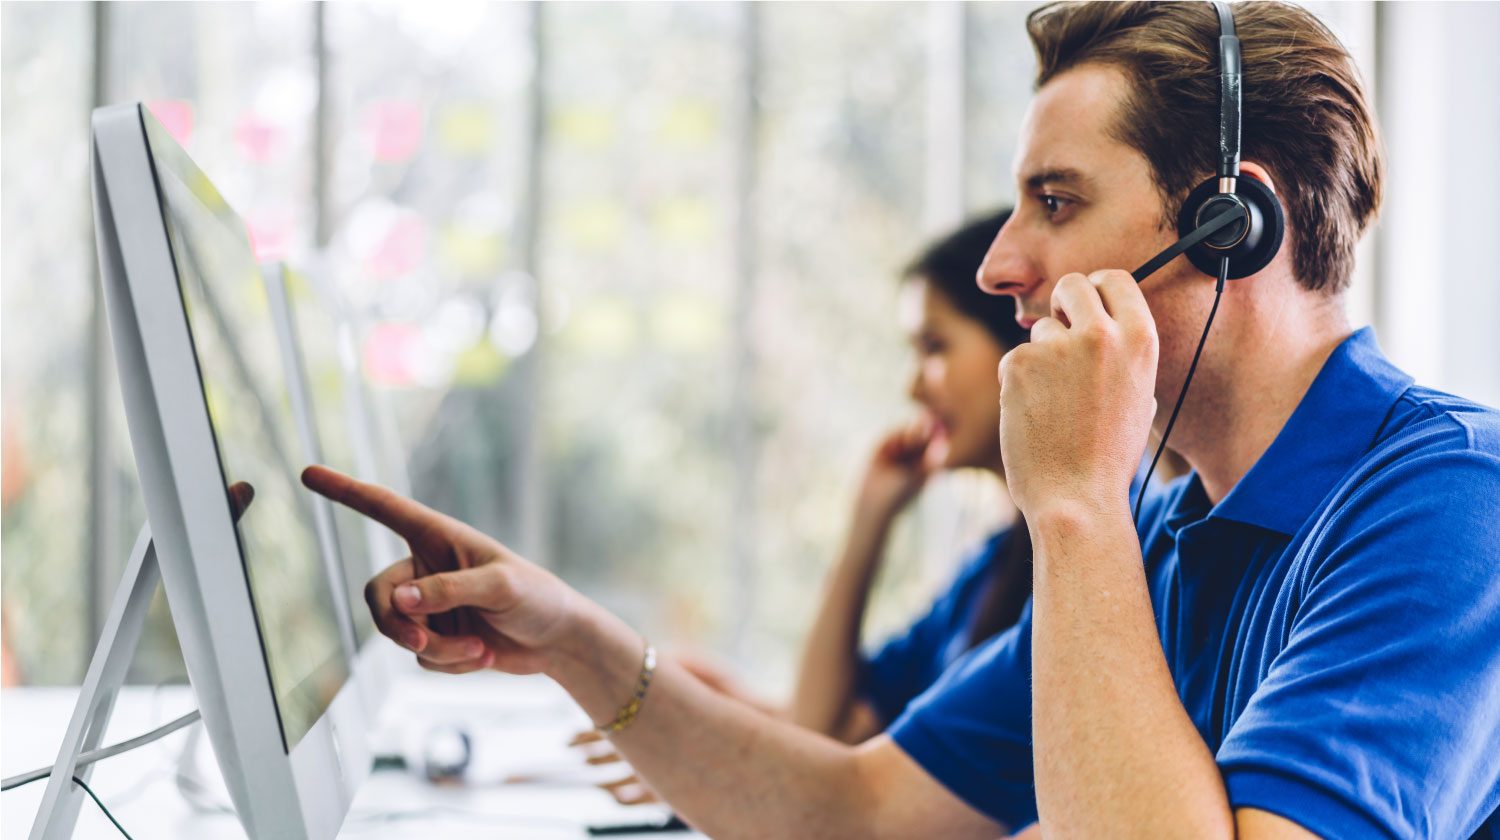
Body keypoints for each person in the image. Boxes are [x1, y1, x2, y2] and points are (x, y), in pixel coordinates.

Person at [305, 2, 1500, 836]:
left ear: (1232, 224)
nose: (999, 263)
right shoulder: (1165, 525)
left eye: (1055, 201)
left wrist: (1075, 509)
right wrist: (571, 635)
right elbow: (852, 813)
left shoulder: (1449, 507)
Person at [577, 211, 1033, 804]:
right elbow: (825, 725)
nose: (914, 389)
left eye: (935, 346)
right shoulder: (992, 569)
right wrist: (869, 521)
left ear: (1020, 340)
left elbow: (835, 746)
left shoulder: (1093, 553)